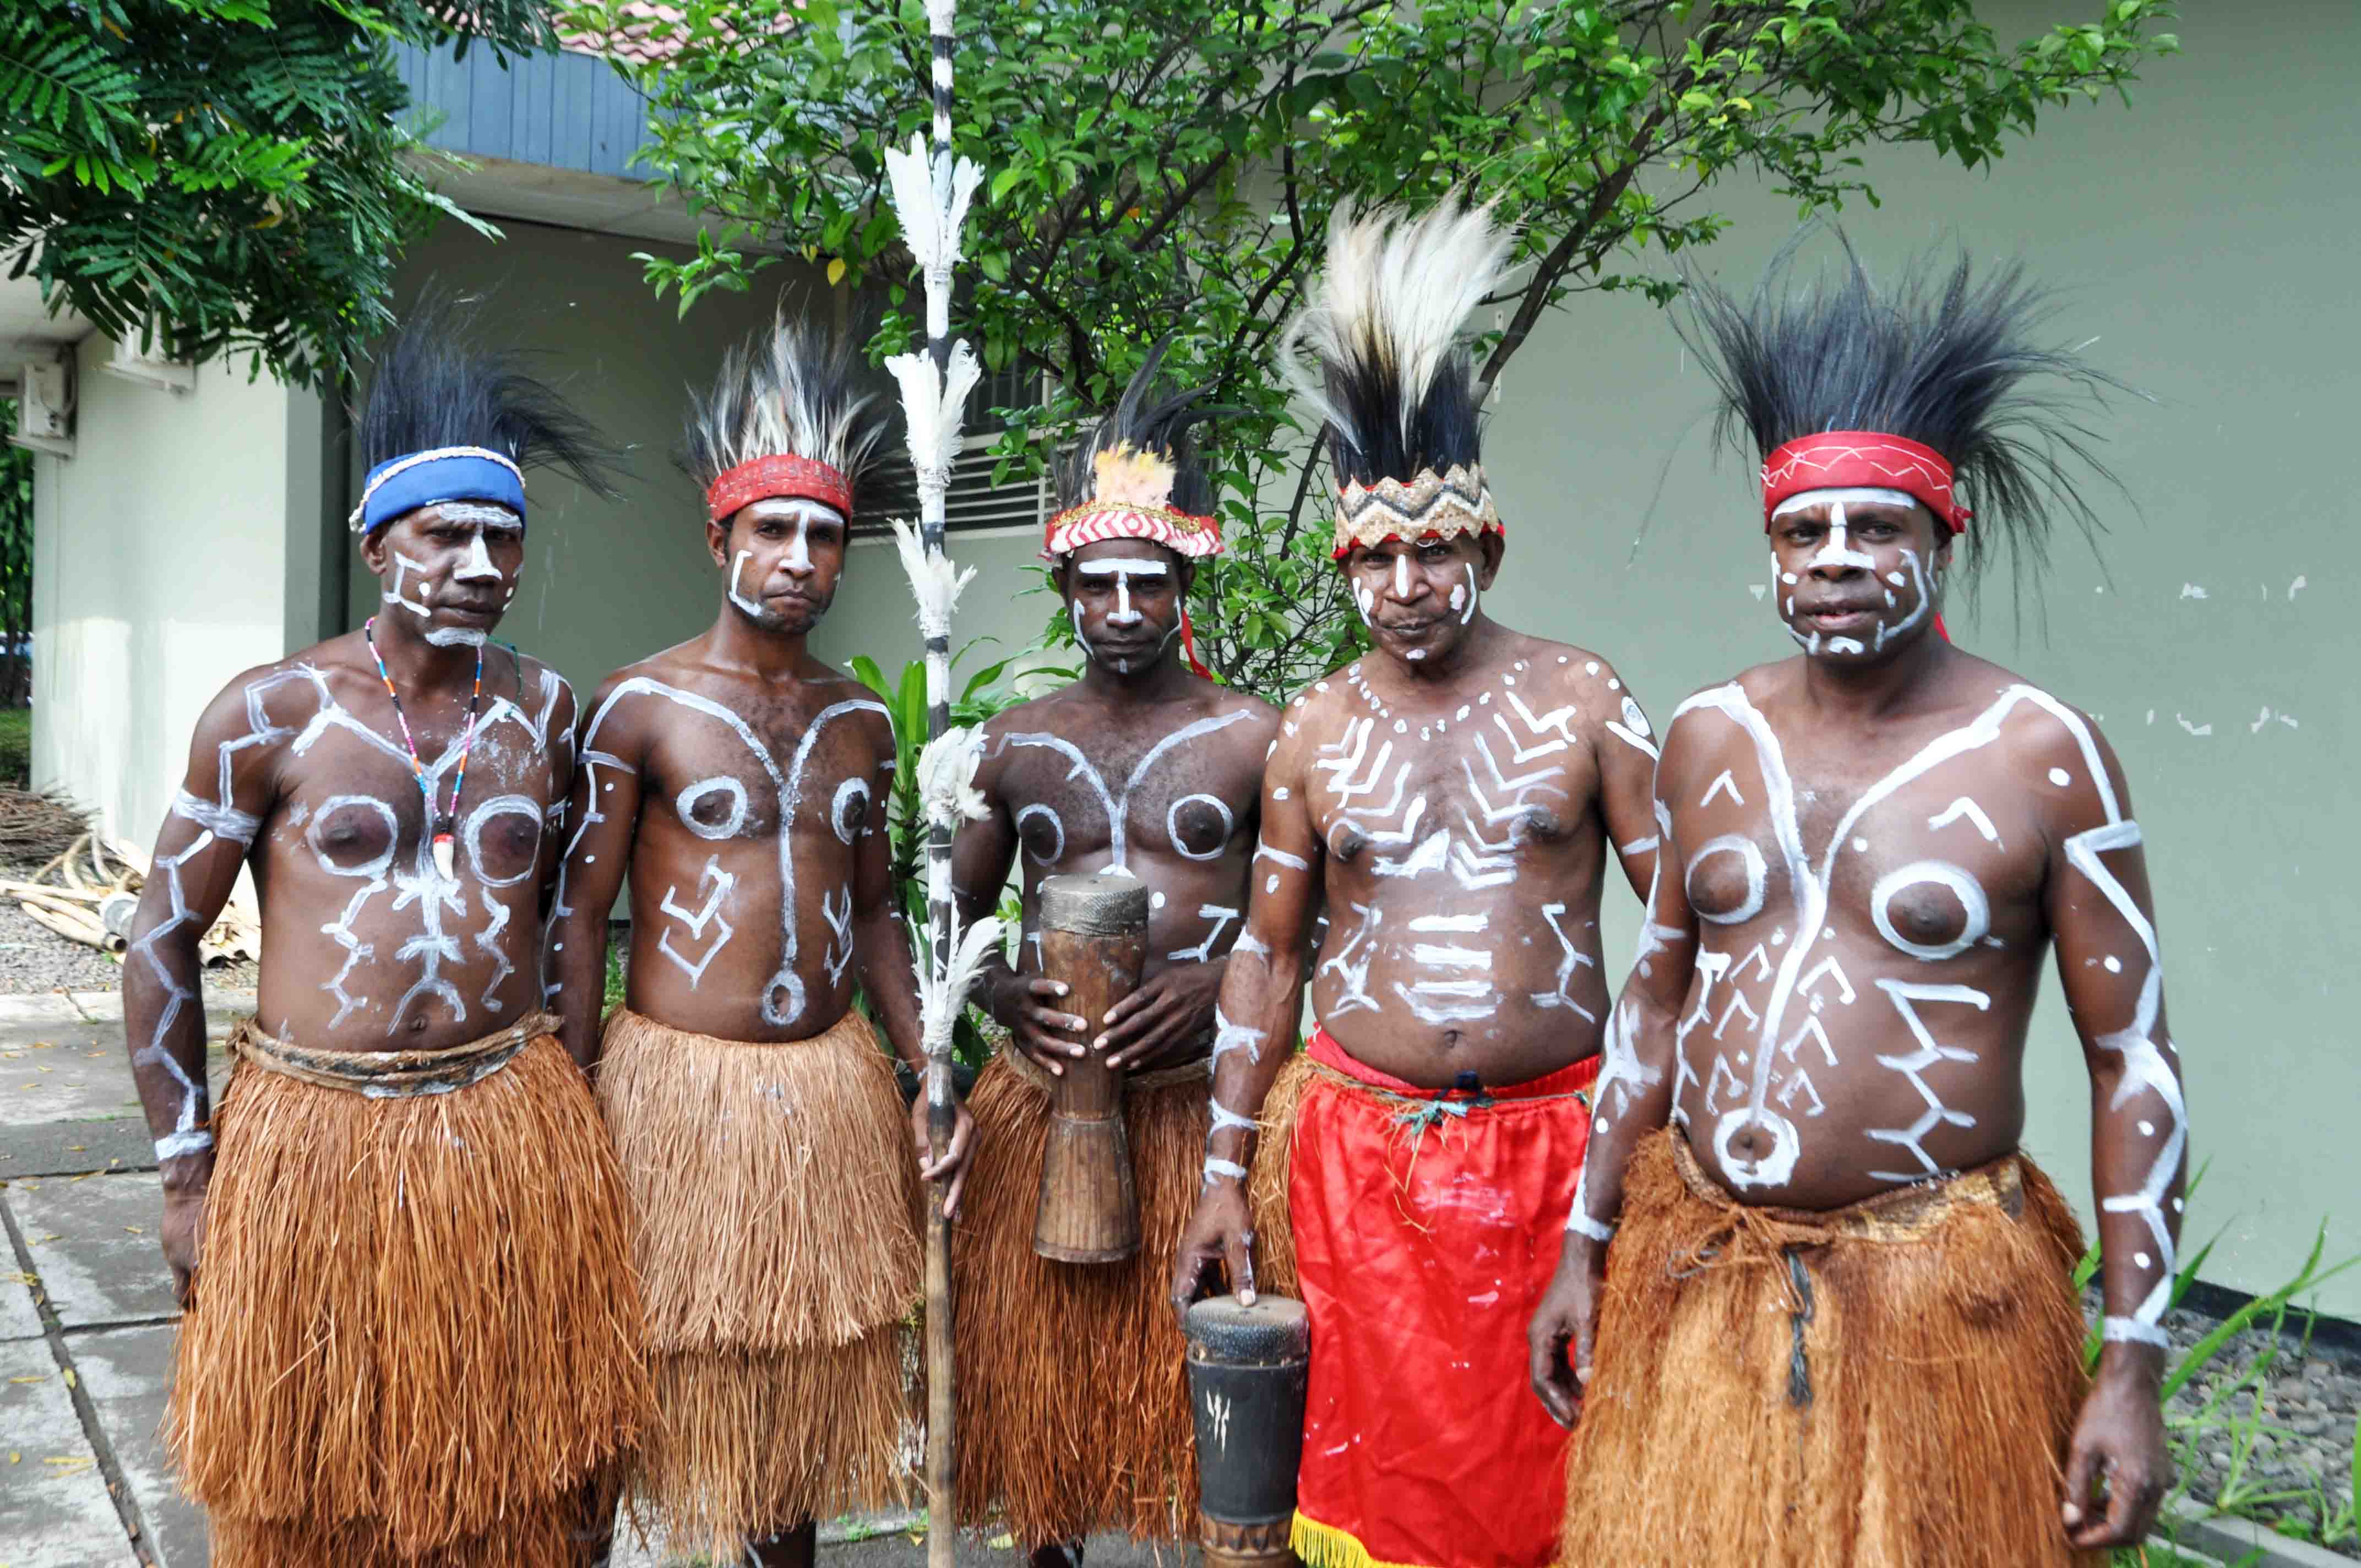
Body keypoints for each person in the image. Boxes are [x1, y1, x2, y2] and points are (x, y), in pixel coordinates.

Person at [1528, 236, 2184, 1566]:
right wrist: (1584, 1242)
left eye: (1875, 524)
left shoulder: (2041, 752)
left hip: (1935, 1300)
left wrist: (2131, 1360)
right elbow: (1653, 1003)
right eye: (1799, 529)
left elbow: (2130, 1062)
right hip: (1700, 1269)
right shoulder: (1706, 733)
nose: (1832, 556)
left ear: (1948, 532)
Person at [1167, 198, 1662, 1568]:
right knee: (1374, 1490)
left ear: (1484, 546)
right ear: (1343, 563)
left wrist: (1658, 1159)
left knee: (1555, 1478)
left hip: (1554, 1146)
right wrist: (1223, 1169)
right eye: (1375, 555)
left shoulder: (1584, 697)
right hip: (1356, 1162)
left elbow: (1682, 934)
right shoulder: (1313, 729)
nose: (1404, 581)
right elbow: (1263, 957)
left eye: (1431, 548)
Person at [125, 293, 646, 1568]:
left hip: (503, 1117)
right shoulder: (269, 711)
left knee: (518, 1463)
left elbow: (582, 911)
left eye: (503, 535)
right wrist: (188, 1170)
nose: (479, 562)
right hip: (315, 1131)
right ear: (375, 543)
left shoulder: (547, 711)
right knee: (316, 1478)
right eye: (445, 532)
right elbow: (159, 940)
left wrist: (576, 1096)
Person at [543, 312, 971, 1568]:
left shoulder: (858, 720)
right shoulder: (641, 703)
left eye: (824, 536)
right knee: (631, 1371)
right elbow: (579, 909)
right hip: (676, 1089)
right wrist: (572, 1088)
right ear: (717, 535)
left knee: (790, 1384)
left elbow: (881, 907)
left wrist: (923, 1062)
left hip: (821, 1086)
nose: (799, 557)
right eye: (773, 530)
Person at [948, 347, 1278, 1560]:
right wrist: (995, 996)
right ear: (1068, 591)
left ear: (1181, 581)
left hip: (1199, 1102)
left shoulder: (1255, 735)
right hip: (1048, 1100)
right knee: (1046, 1406)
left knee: (1204, 1416)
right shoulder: (1013, 741)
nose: (1124, 608)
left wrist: (1214, 981)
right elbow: (956, 923)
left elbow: (1311, 920)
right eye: (1099, 585)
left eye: (1146, 582)